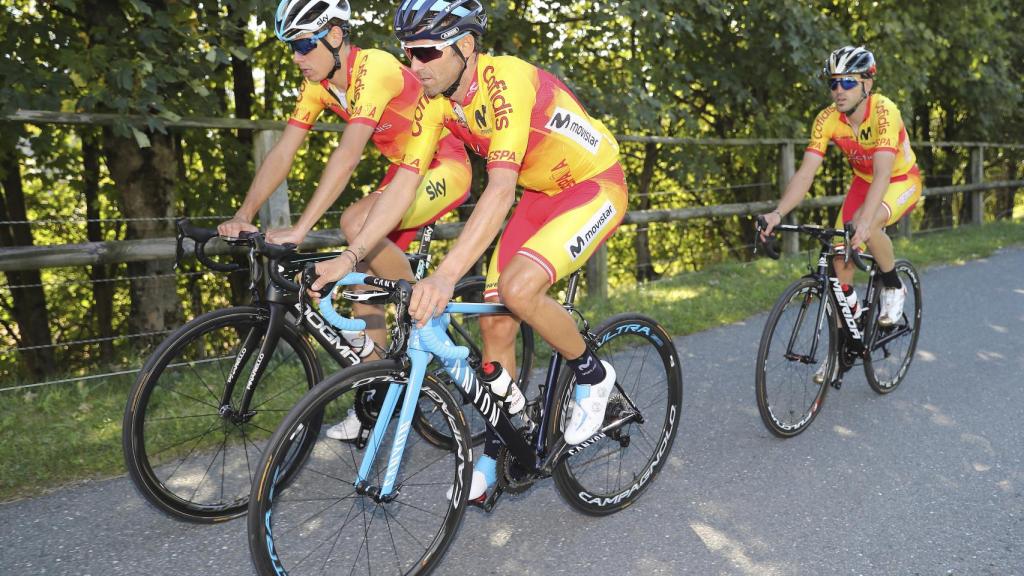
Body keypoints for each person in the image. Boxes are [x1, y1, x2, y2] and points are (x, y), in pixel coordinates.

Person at [308, 0, 628, 500]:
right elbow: (402, 187)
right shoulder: (435, 104)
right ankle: (507, 445)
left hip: (592, 187)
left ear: (466, 46)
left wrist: (444, 276)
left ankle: (592, 372)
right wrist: (350, 258)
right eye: (407, 54)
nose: (414, 66)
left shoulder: (507, 82)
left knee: (520, 290)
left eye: (425, 53)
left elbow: (499, 191)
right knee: (495, 322)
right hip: (540, 196)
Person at [218, 0, 472, 440]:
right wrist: (244, 213)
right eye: (291, 49)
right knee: (359, 288)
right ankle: (375, 394)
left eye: (303, 45)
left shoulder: (373, 68)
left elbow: (349, 155)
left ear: (335, 36)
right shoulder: (317, 87)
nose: (297, 57)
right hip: (403, 173)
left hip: (445, 165)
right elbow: (283, 151)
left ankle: (426, 322)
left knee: (355, 223)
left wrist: (300, 229)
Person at [759, 45, 922, 380]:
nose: (838, 90)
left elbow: (882, 175)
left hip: (899, 179)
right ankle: (840, 349)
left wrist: (863, 223)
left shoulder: (884, 112)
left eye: (847, 82)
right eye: (833, 83)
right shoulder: (827, 119)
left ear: (867, 84)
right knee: (838, 266)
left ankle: (893, 285)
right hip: (863, 183)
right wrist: (777, 213)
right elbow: (806, 173)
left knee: (868, 221)